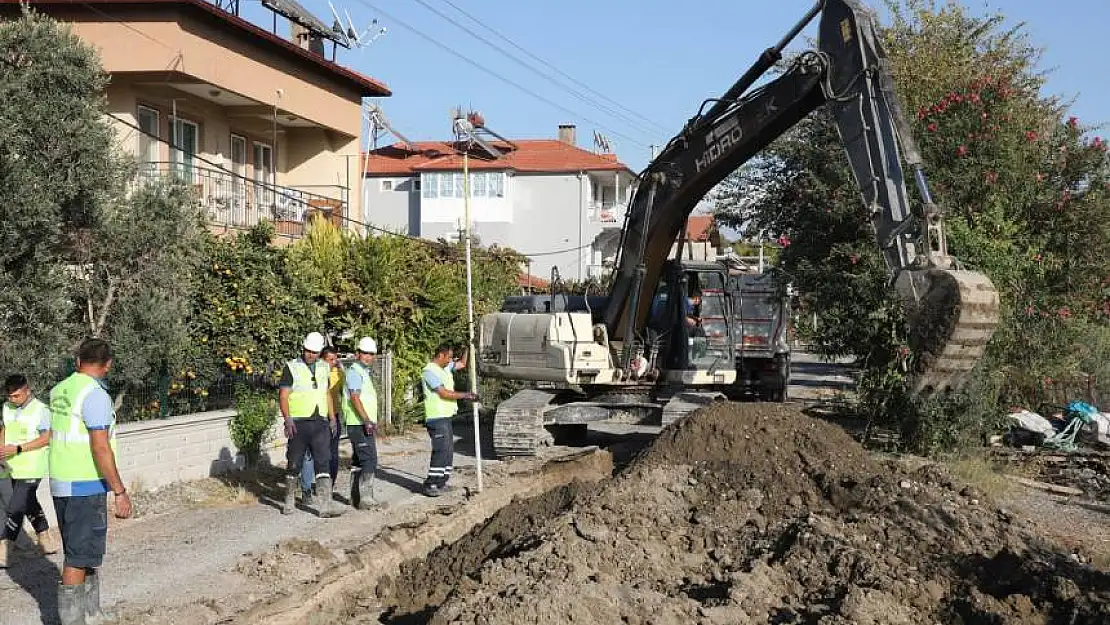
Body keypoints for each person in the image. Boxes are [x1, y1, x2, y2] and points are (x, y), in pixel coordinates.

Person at [50, 338, 132, 625]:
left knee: (83, 551)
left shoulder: (60, 390)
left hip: (62, 482)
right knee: (77, 556)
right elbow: (100, 447)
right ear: (108, 365)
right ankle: (75, 621)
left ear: (77, 361)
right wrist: (119, 491)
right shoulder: (94, 395)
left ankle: (92, 614)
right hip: (84, 484)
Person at [0, 374, 59, 568]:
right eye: (10, 396)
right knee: (29, 502)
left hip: (33, 466)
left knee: (15, 506)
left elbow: (46, 438)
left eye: (16, 395)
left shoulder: (41, 410)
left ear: (27, 390)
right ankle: (46, 539)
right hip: (12, 466)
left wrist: (18, 449)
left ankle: (5, 550)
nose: (12, 399)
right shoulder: (7, 407)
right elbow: (5, 428)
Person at [279, 332, 339, 517]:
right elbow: (283, 395)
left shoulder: (324, 367)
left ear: (319, 351)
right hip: (299, 423)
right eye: (308, 351)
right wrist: (287, 418)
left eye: (314, 351)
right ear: (303, 348)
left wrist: (332, 418)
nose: (311, 354)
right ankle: (289, 500)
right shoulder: (291, 367)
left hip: (320, 421)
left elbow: (326, 393)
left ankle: (325, 506)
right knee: (294, 462)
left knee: (323, 462)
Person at [420, 343, 476, 497]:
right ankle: (430, 484)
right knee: (441, 450)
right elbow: (443, 393)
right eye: (449, 357)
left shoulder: (444, 368)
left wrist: (467, 348)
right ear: (441, 355)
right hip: (436, 418)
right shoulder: (429, 372)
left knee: (448, 451)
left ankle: (441, 482)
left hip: (446, 416)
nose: (451, 360)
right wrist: (466, 395)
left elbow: (463, 364)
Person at [299, 346, 344, 502]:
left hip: (333, 416)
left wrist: (334, 418)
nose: (333, 362)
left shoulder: (338, 373)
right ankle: (307, 489)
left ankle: (327, 486)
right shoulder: (313, 373)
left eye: (335, 359)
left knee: (331, 453)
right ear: (321, 359)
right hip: (315, 417)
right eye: (329, 359)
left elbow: (339, 395)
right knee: (310, 454)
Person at [343, 337, 379, 509]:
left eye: (371, 354)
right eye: (365, 353)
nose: (368, 357)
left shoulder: (362, 372)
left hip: (362, 423)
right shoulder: (355, 372)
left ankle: (355, 498)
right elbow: (355, 398)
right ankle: (365, 499)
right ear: (358, 354)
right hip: (358, 423)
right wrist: (366, 419)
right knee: (369, 459)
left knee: (359, 460)